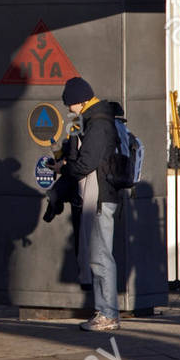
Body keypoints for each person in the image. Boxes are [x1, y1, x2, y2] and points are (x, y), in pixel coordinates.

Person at [55, 76, 124, 332]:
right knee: (99, 255)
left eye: (70, 106)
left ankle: (108, 314)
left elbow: (86, 163)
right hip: (102, 195)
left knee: (100, 256)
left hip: (100, 196)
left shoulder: (98, 124)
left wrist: (67, 167)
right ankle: (104, 311)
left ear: (80, 101)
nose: (70, 111)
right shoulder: (100, 119)